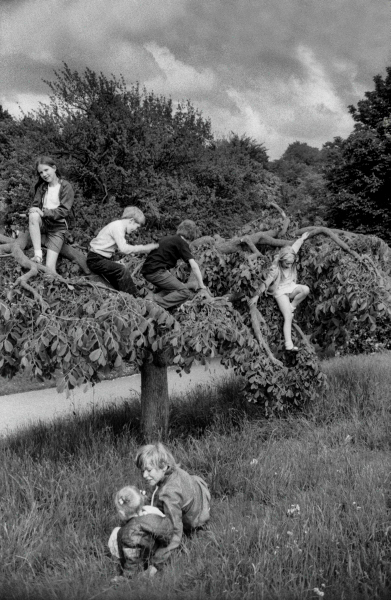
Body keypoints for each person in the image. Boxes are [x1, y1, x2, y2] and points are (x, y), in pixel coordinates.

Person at [135, 442, 211, 568]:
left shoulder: (170, 494)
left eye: (148, 470)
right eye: (142, 471)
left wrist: (155, 565)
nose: (144, 475)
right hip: (199, 488)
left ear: (163, 466)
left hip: (197, 516)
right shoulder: (172, 471)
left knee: (158, 530)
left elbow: (175, 533)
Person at [249, 231, 310, 351]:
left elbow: (295, 246)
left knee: (306, 290)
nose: (289, 265)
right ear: (282, 260)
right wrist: (256, 296)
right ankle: (289, 345)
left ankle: (291, 307)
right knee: (288, 317)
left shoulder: (290, 256)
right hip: (280, 291)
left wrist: (302, 238)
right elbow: (265, 283)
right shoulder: (275, 269)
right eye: (287, 263)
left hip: (291, 287)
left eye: (291, 263)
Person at [86, 207, 158, 296]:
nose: (135, 230)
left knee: (118, 278)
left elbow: (118, 249)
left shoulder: (118, 227)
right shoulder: (118, 227)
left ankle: (125, 297)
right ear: (131, 221)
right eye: (137, 227)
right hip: (95, 260)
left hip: (101, 259)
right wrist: (143, 248)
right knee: (122, 270)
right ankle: (135, 298)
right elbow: (124, 248)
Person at [108, 485, 173, 580]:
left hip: (144, 559)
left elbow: (132, 559)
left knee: (115, 533)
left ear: (122, 513)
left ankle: (120, 563)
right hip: (159, 551)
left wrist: (126, 576)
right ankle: (156, 565)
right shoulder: (152, 511)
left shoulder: (128, 533)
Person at [141, 219, 207, 310]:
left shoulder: (168, 239)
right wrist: (201, 285)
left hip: (148, 270)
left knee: (174, 289)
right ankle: (155, 303)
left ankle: (155, 298)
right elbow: (194, 265)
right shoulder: (182, 242)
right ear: (191, 236)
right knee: (184, 292)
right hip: (156, 272)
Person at [29, 156, 74, 274]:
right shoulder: (42, 187)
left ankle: (51, 286)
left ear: (54, 168)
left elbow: (64, 211)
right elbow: (35, 207)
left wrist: (44, 212)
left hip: (58, 228)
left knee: (49, 269)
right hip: (44, 225)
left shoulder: (65, 186)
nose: (44, 174)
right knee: (33, 214)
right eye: (41, 172)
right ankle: (38, 255)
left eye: (46, 170)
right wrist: (34, 211)